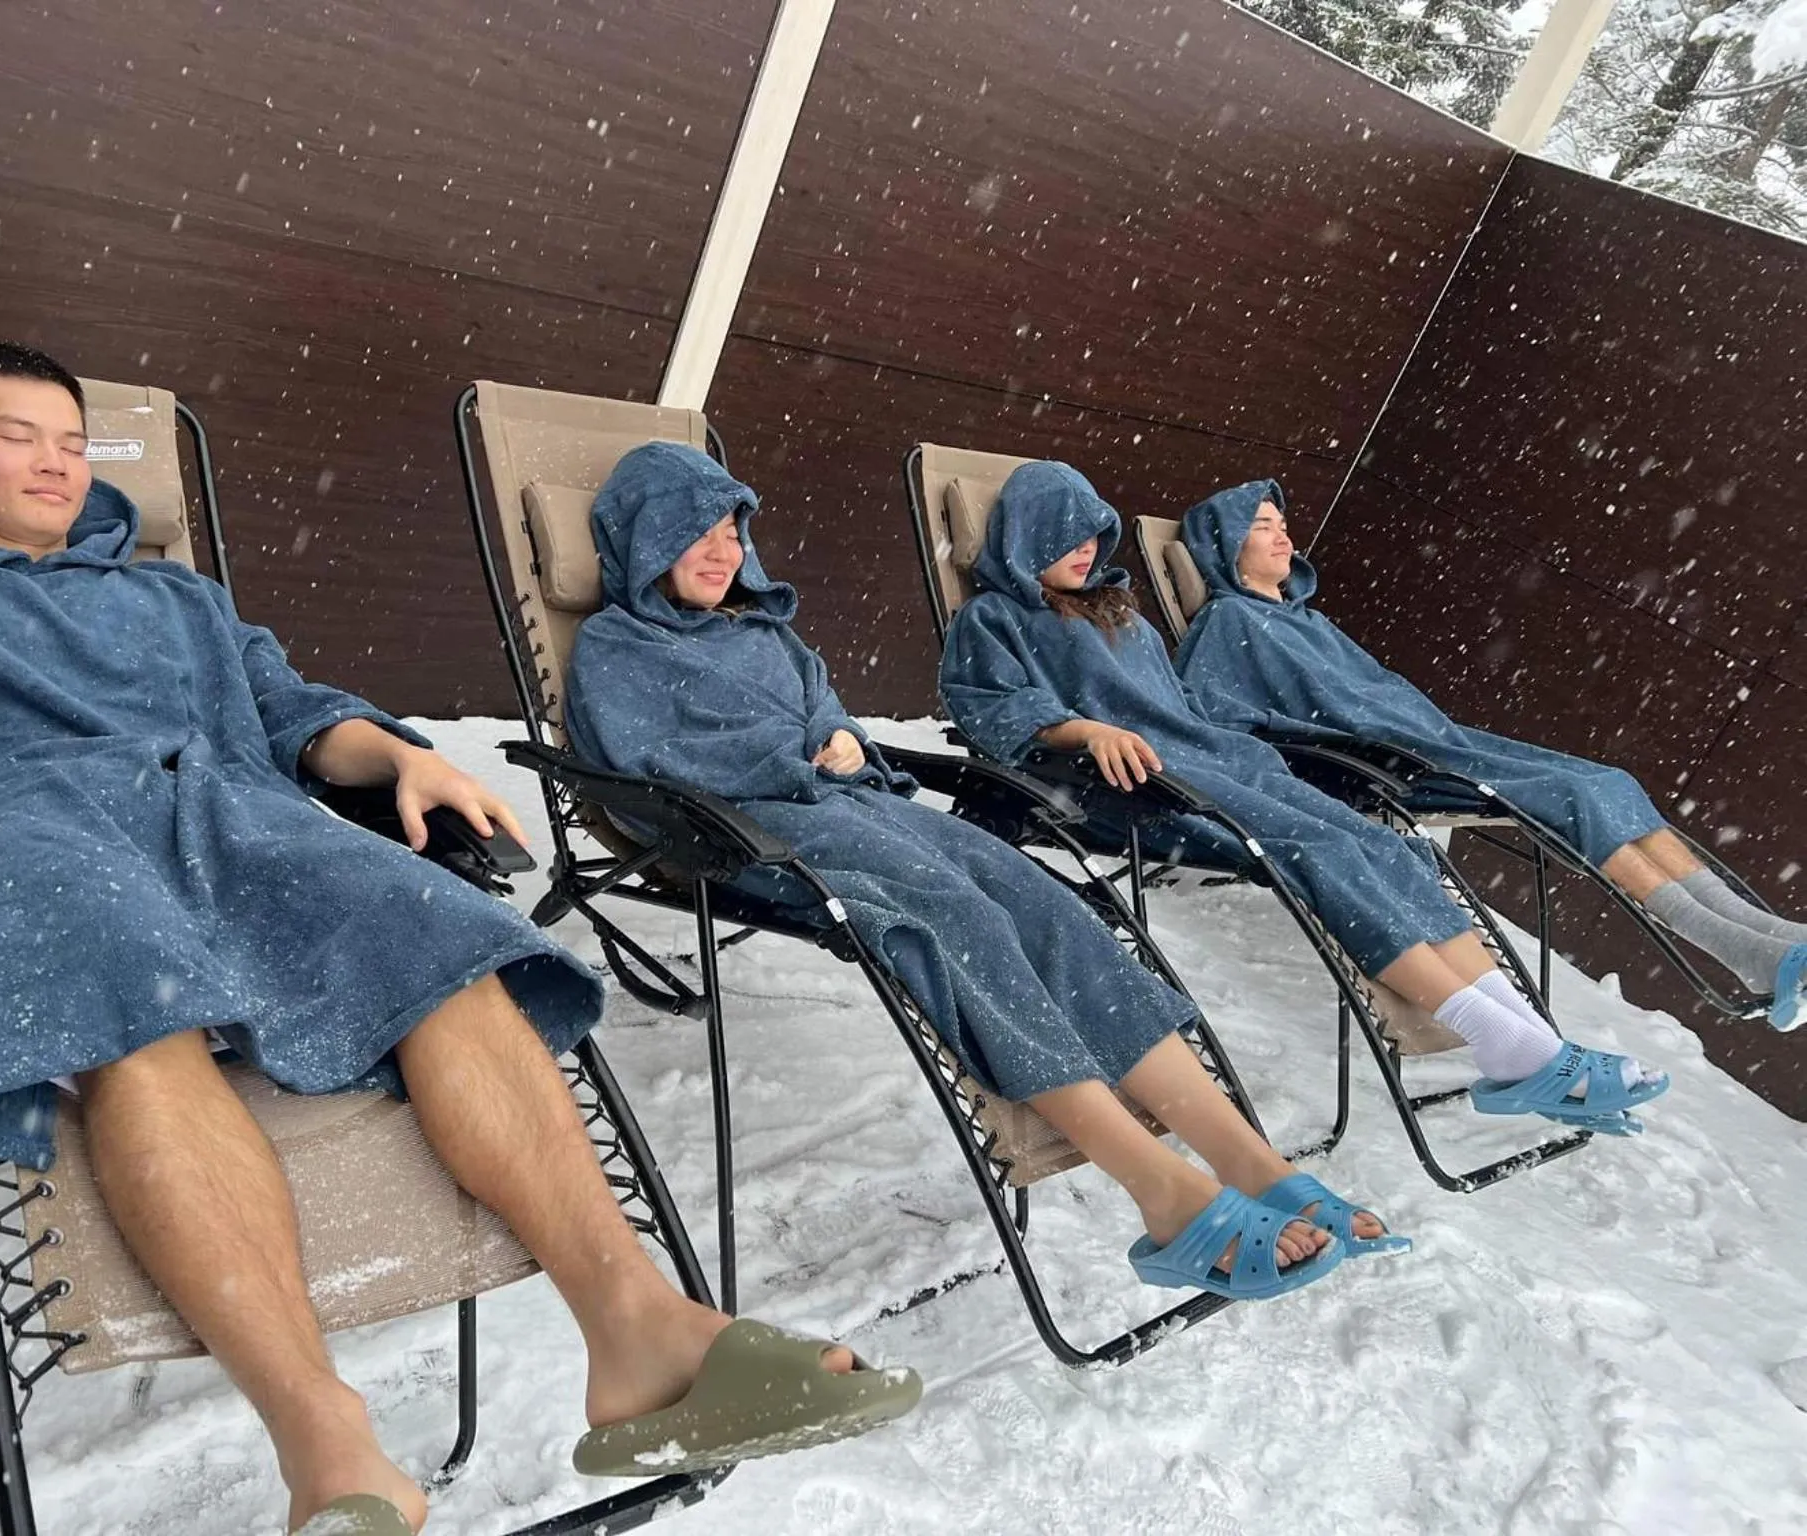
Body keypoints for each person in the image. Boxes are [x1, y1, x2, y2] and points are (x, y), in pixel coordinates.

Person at [0, 343, 919, 1536]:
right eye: (19, 437)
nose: (56, 465)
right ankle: (329, 1443)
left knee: (440, 949)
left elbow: (293, 715)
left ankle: (639, 1336)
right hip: (25, 832)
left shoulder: (174, 598)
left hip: (227, 815)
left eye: (71, 442)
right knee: (131, 1014)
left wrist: (400, 756)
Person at [564, 440, 1395, 1307]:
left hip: (860, 808)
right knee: (958, 918)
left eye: (733, 530)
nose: (723, 549)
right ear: (643, 541)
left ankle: (1249, 1162)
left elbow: (826, 716)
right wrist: (802, 756)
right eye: (693, 531)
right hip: (751, 835)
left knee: (1049, 904)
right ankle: (1164, 1193)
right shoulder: (615, 648)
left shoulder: (769, 633)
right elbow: (647, 768)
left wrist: (844, 742)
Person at [938, 460, 1672, 1134]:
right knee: (1319, 852)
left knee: (1383, 843)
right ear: (1025, 536)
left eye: (1096, 536)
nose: (1088, 551)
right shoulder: (994, 618)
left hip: (1220, 762)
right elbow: (989, 706)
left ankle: (1536, 1049)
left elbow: (1181, 705)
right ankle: (1507, 1044)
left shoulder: (1122, 616)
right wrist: (1083, 729)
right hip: (1139, 789)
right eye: (1067, 537)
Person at [1173, 481, 1807, 1034]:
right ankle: (1747, 952)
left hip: (1443, 741)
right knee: (1576, 796)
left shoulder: (1305, 620)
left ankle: (1774, 942)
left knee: (1611, 781)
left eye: (1284, 527)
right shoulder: (1230, 621)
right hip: (1396, 762)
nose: (1283, 539)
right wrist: (1327, 746)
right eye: (1262, 529)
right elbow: (1217, 717)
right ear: (1227, 546)